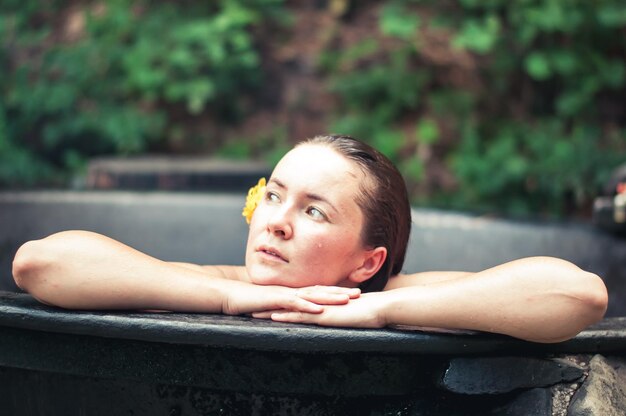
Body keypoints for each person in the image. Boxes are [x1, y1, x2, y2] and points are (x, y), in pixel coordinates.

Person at [12, 135, 608, 343]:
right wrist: (225, 299)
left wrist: (384, 310)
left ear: (366, 261)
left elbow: (577, 296)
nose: (275, 221)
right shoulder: (221, 285)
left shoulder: (386, 294)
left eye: (315, 211)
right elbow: (39, 263)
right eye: (274, 195)